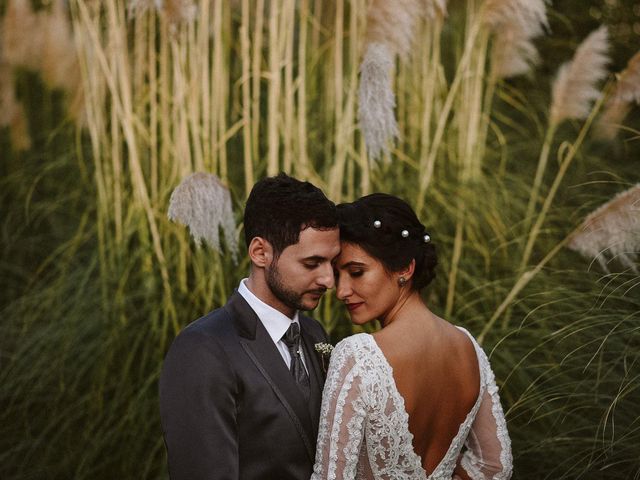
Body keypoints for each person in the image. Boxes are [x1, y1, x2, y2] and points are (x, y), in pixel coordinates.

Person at [312, 193, 512, 480]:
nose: (341, 291)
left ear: (405, 267)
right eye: (337, 274)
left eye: (356, 272)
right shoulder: (467, 347)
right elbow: (495, 466)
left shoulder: (358, 355)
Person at [160, 173, 341, 480]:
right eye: (312, 263)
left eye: (332, 263)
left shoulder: (315, 335)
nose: (329, 280)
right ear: (260, 252)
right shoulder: (203, 349)